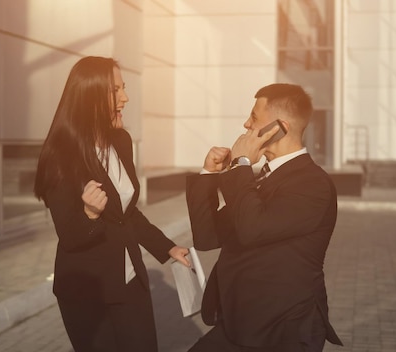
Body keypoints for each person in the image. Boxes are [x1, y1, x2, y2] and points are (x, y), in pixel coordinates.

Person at [33, 56, 190, 352]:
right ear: (90, 95)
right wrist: (90, 214)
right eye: (115, 90)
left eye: (124, 88)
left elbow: (127, 214)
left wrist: (167, 247)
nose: (125, 97)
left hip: (129, 281)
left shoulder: (121, 141)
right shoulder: (60, 153)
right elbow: (69, 235)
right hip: (87, 292)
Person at [185, 83, 342, 351]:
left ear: (280, 126)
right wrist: (210, 174)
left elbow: (252, 228)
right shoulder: (261, 179)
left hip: (282, 330)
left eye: (254, 118)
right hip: (240, 325)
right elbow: (207, 235)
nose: (246, 124)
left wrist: (242, 165)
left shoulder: (313, 183)